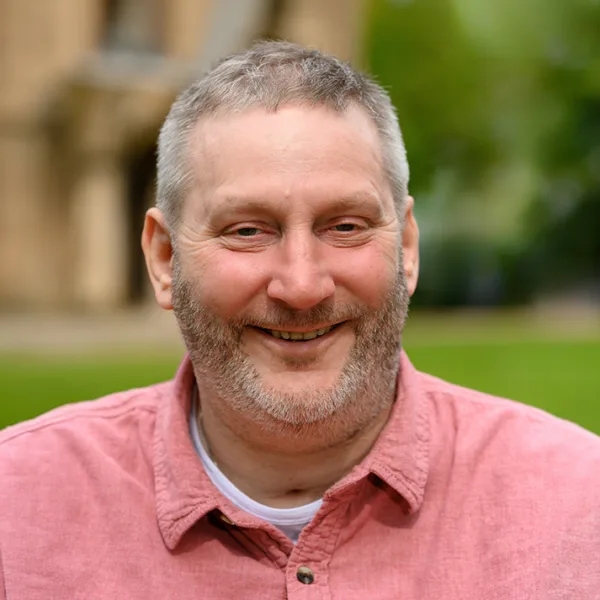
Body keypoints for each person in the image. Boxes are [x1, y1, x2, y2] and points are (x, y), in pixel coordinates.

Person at [0, 41, 598, 599]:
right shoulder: (17, 509)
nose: (303, 285)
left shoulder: (576, 506)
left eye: (345, 226)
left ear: (407, 249)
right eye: (247, 231)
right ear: (163, 258)